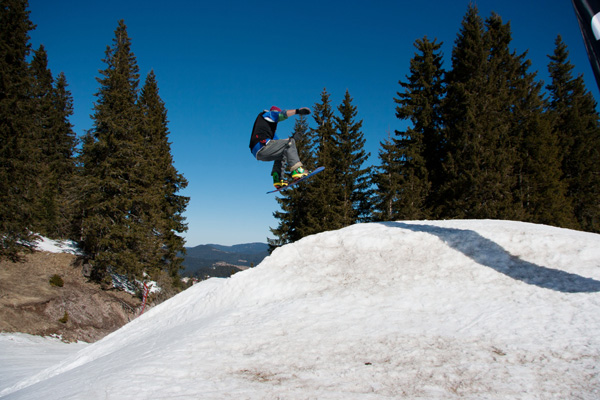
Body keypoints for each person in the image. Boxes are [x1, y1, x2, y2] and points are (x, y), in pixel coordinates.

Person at [249, 106, 311, 189]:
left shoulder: (270, 129)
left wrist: (292, 138)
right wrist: (297, 111)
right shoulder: (267, 114)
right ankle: (297, 170)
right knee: (289, 143)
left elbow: (280, 143)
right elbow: (281, 115)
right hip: (261, 146)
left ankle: (277, 179)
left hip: (259, 151)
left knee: (284, 150)